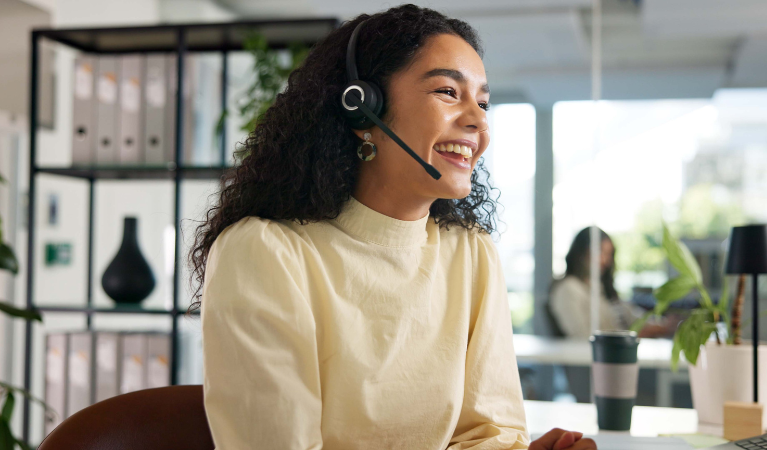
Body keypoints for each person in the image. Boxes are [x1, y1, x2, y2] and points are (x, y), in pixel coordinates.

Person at [188, 5, 595, 450]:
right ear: (362, 109)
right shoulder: (265, 252)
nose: (479, 121)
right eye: (448, 92)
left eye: (482, 102)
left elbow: (489, 433)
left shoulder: (470, 253)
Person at [549, 227, 672, 339]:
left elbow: (633, 316)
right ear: (581, 252)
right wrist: (636, 335)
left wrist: (662, 325)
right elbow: (582, 337)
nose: (605, 261)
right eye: (600, 252)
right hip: (598, 354)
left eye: (608, 255)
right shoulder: (568, 289)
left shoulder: (601, 289)